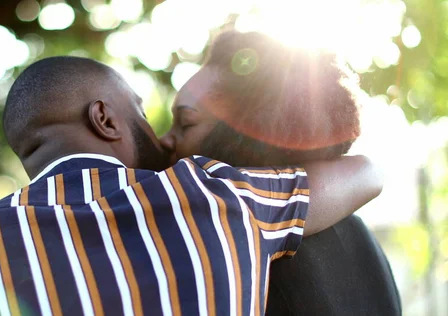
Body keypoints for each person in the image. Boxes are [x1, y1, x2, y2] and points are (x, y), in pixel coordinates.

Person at [0, 56, 382, 316]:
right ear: (104, 119)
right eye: (144, 113)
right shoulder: (214, 199)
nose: (164, 141)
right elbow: (367, 172)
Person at [159, 31, 400, 315]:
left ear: (247, 134)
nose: (164, 139)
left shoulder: (228, 237)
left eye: (186, 123)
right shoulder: (359, 235)